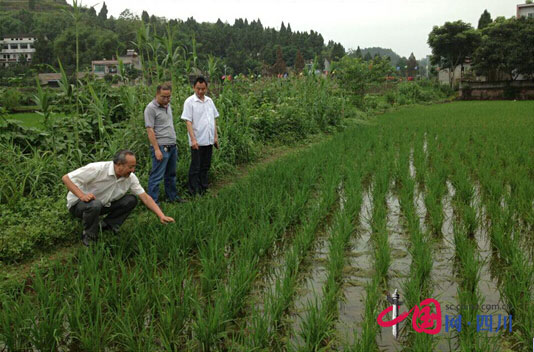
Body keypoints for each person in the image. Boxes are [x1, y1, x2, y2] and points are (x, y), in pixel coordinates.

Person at [62, 150, 175, 246]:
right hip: (79, 205)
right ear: (119, 165)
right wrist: (82, 195)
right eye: (130, 167)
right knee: (94, 204)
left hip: (102, 205)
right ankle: (90, 237)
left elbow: (145, 197)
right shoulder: (98, 169)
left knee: (131, 200)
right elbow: (66, 178)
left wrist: (161, 215)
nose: (133, 170)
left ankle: (106, 226)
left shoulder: (130, 178)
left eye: (134, 167)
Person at [145, 82, 185, 204]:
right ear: (157, 94)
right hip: (161, 147)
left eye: (168, 97)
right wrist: (156, 149)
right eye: (163, 97)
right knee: (157, 176)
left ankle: (172, 197)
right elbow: (150, 130)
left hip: (172, 145)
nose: (167, 99)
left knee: (171, 175)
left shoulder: (168, 106)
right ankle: (153, 202)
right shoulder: (150, 108)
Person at [181, 76, 220, 196]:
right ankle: (193, 191)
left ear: (206, 88)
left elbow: (213, 120)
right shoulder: (189, 102)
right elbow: (188, 121)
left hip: (208, 139)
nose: (200, 91)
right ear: (194, 87)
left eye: (203, 89)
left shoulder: (209, 101)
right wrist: (193, 140)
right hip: (197, 140)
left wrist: (215, 137)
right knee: (196, 167)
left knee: (205, 165)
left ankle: (204, 188)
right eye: (198, 89)